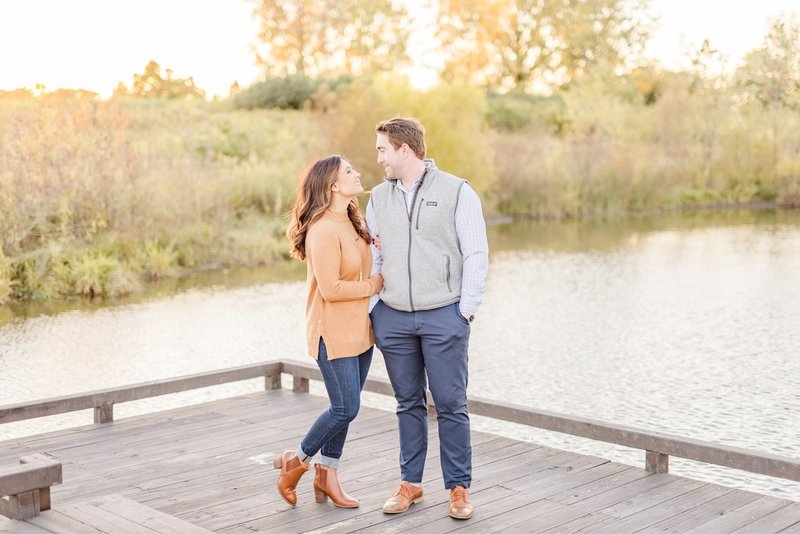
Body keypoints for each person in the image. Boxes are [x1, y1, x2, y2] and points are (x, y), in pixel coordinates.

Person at [366, 117, 489, 520]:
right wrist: (375, 309)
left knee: (451, 404)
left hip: (444, 315)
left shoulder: (457, 191)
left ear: (405, 149)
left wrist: (464, 310)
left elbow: (475, 253)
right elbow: (374, 255)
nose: (378, 156)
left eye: (383, 149)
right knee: (407, 403)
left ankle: (458, 487)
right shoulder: (377, 198)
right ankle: (411, 483)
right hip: (394, 318)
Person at [275, 155, 383, 508]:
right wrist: (374, 284)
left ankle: (327, 477)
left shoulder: (353, 219)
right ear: (333, 185)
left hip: (360, 330)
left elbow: (362, 262)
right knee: (345, 408)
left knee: (347, 408)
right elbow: (332, 288)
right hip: (332, 331)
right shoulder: (322, 228)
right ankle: (297, 462)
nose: (358, 173)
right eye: (350, 171)